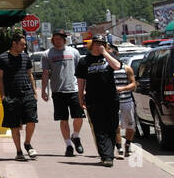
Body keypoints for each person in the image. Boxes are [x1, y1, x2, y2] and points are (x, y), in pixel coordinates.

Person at [77, 36, 135, 167]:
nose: (99, 45)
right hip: (93, 99)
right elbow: (80, 82)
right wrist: (80, 98)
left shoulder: (108, 58)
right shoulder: (84, 61)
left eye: (102, 44)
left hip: (111, 99)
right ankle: (107, 156)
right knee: (99, 128)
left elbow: (117, 66)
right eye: (96, 43)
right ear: (91, 45)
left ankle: (108, 153)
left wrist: (104, 53)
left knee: (112, 126)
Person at [40, 30, 84, 156]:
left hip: (74, 89)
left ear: (64, 39)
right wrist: (43, 91)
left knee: (79, 117)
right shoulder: (47, 54)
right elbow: (45, 74)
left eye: (59, 38)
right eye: (55, 39)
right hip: (58, 91)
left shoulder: (74, 52)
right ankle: (69, 145)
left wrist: (83, 89)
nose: (57, 41)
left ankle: (76, 136)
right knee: (63, 119)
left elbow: (80, 73)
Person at [0, 33, 38, 160]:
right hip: (11, 96)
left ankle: (27, 143)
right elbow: (0, 78)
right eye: (22, 44)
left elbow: (30, 75)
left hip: (27, 94)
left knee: (32, 120)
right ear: (14, 43)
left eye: (25, 44)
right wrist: (3, 96)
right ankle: (19, 151)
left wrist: (34, 91)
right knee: (14, 125)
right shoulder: (2, 58)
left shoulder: (25, 57)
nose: (24, 47)